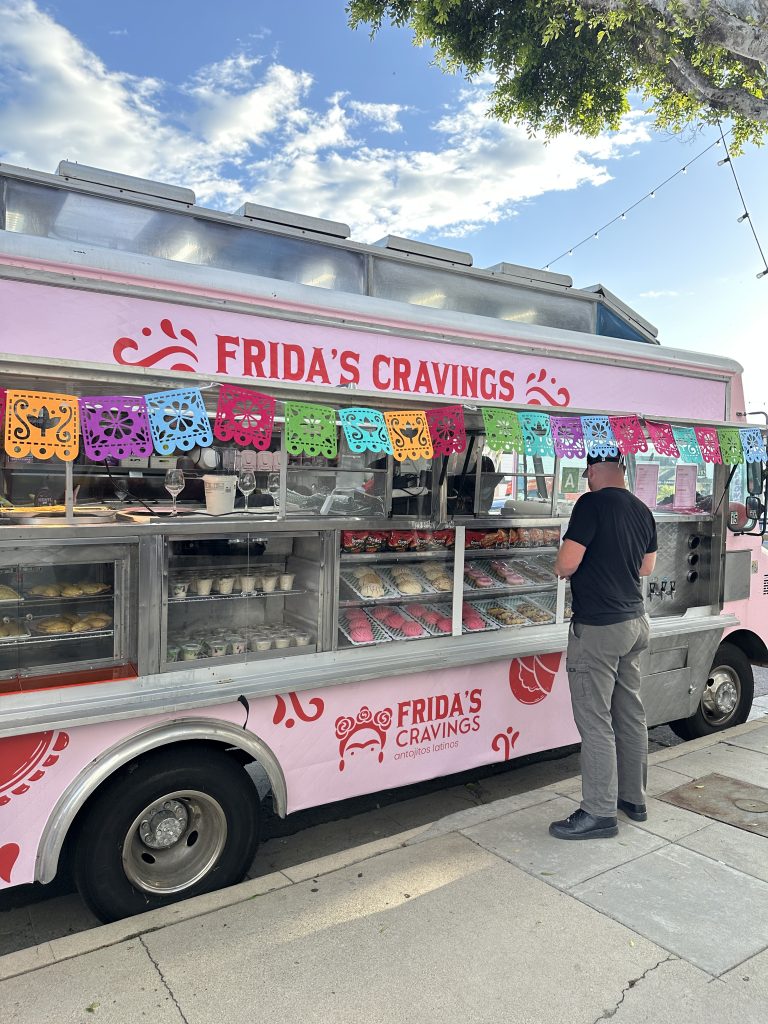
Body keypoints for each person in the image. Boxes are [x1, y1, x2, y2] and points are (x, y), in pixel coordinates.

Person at [550, 452, 657, 840]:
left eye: (586, 474)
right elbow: (646, 568)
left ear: (593, 471)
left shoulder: (590, 504)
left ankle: (598, 813)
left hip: (598, 628)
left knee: (595, 721)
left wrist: (564, 562)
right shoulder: (642, 509)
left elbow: (566, 564)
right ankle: (633, 799)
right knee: (629, 713)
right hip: (635, 623)